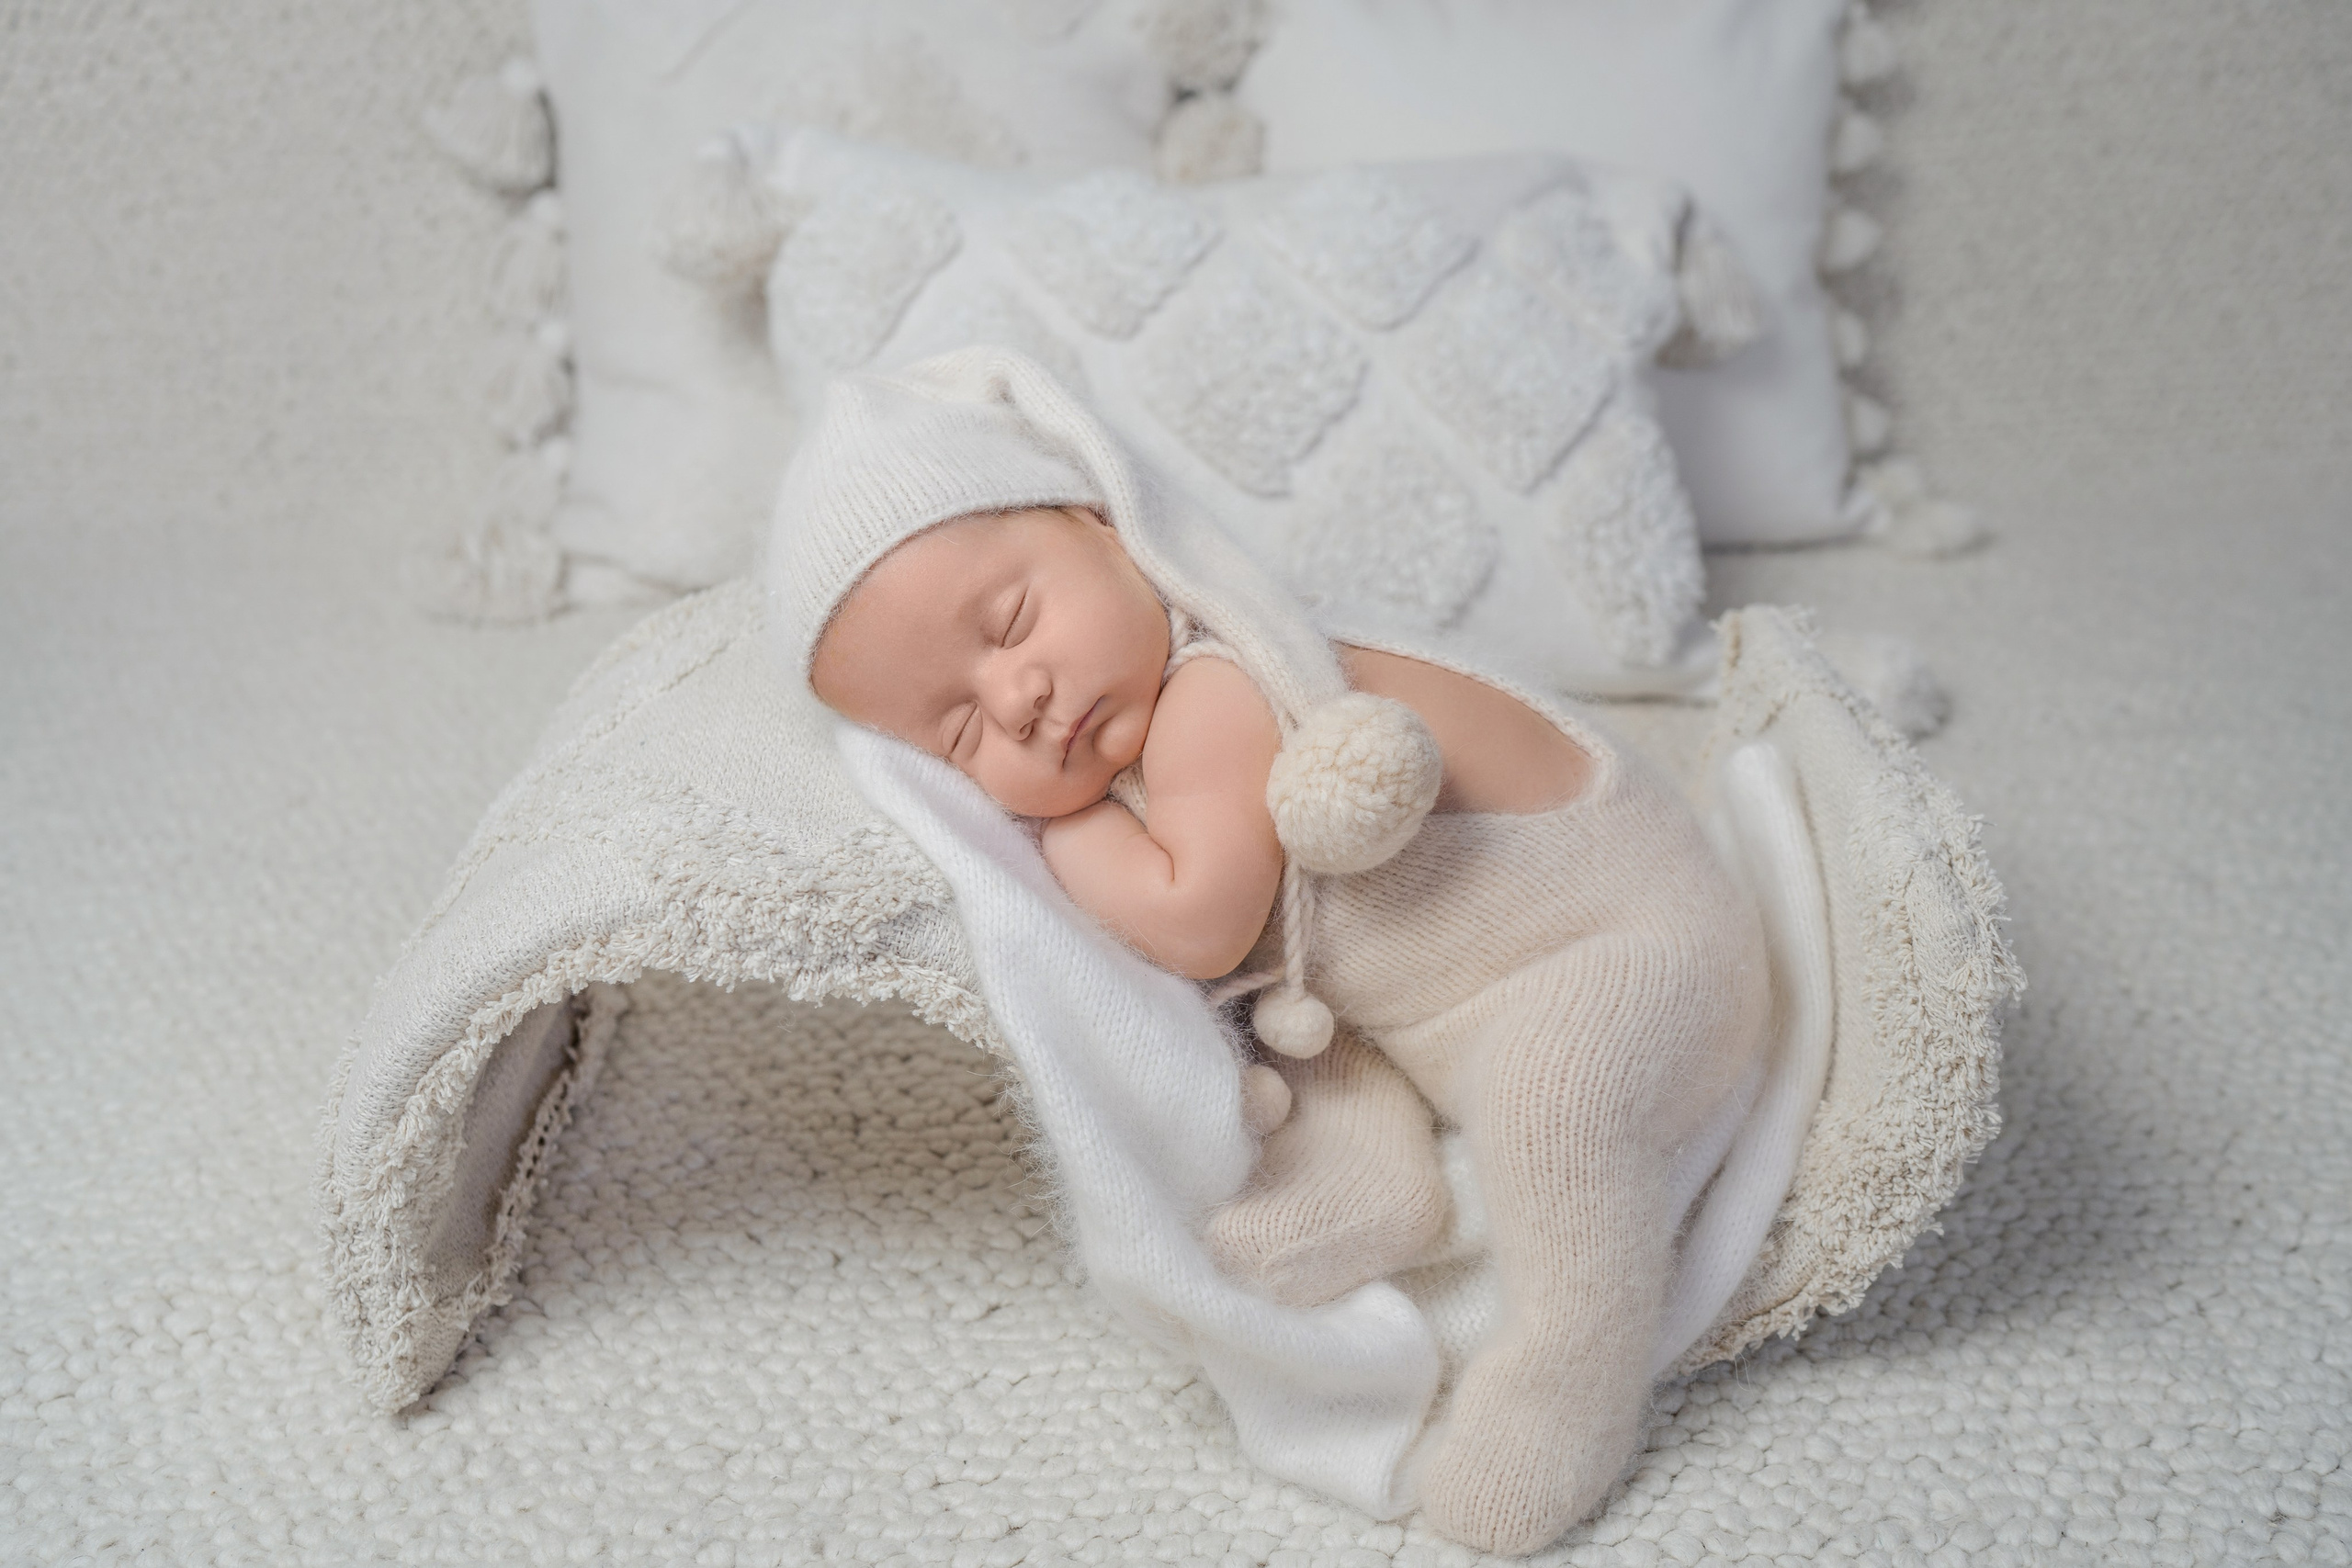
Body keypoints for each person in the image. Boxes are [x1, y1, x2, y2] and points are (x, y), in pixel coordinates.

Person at [772, 347, 1770, 1555]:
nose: (1021, 696)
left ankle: (1567, 1380)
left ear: (1111, 531)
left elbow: (1201, 924)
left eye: (1011, 622)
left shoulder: (1217, 694)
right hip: (1449, 997)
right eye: (962, 725)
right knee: (1303, 1030)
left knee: (1555, 1108)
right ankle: (1375, 1179)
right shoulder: (1141, 718)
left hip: (1630, 953)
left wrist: (1067, 820)